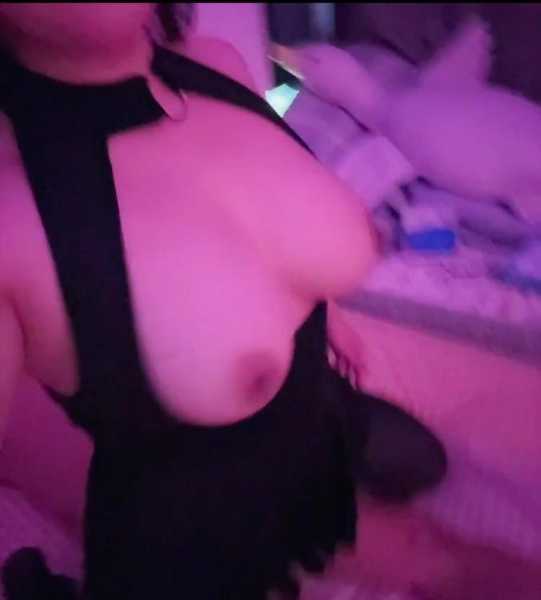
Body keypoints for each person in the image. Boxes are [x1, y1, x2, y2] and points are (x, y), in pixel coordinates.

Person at [1, 4, 538, 600]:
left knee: (426, 476)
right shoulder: (10, 203)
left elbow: (254, 237)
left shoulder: (216, 66)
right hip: (191, 523)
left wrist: (325, 313)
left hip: (312, 416)